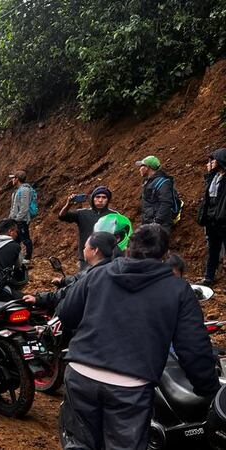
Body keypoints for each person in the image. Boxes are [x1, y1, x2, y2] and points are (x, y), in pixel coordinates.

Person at [57, 224, 220, 449]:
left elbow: (66, 314)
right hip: (130, 387)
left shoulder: (100, 273)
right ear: (164, 255)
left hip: (81, 374)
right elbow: (194, 349)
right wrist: (209, 390)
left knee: (80, 444)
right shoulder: (179, 290)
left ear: (128, 249)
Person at [24, 232, 117, 312]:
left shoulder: (93, 276)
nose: (83, 250)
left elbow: (70, 291)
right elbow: (78, 278)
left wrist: (38, 299)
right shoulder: (110, 268)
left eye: (85, 247)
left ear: (95, 250)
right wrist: (63, 281)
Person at [59, 186, 115, 270]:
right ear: (93, 198)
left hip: (107, 256)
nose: (100, 200)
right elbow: (62, 216)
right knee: (85, 280)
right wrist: (68, 205)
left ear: (108, 200)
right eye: (97, 197)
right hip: (87, 257)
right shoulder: (82, 213)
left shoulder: (114, 215)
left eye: (104, 197)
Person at [197, 148, 226, 286]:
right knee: (213, 251)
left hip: (223, 221)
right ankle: (209, 278)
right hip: (212, 221)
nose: (210, 162)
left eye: (213, 159)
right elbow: (208, 199)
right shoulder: (213, 177)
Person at [137, 155, 176, 233]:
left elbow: (166, 203)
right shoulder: (148, 182)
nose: (139, 169)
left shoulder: (163, 182)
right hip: (150, 223)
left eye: (141, 166)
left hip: (159, 226)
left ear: (147, 167)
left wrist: (157, 221)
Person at [8, 170, 35, 263]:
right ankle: (16, 258)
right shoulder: (18, 190)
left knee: (25, 239)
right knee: (16, 240)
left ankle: (28, 258)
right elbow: (14, 207)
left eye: (13, 178)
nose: (12, 180)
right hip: (16, 220)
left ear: (17, 179)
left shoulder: (24, 190)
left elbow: (24, 207)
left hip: (22, 220)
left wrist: (17, 219)